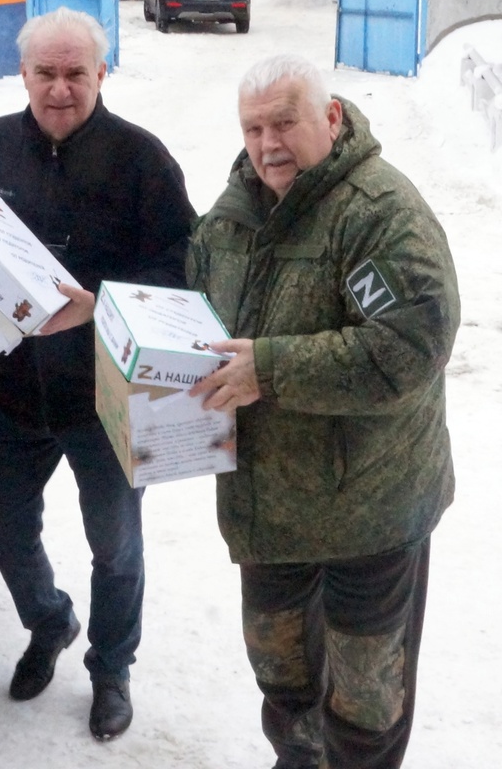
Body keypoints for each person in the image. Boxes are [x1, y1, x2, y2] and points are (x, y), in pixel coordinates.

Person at [187, 54, 459, 769]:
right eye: (253, 129)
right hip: (268, 509)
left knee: (366, 700)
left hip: (370, 512)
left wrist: (269, 369)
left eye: (285, 123)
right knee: (283, 676)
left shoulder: (378, 213)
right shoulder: (233, 216)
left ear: (331, 117)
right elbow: (192, 310)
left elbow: (408, 347)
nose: (268, 144)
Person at [0, 6, 195, 741]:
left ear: (101, 74)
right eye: (45, 73)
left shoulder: (142, 161)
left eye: (75, 73)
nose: (59, 88)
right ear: (22, 74)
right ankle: (49, 621)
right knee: (3, 524)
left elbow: (181, 269)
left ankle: (111, 668)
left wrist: (97, 303)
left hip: (103, 399)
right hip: (13, 392)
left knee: (115, 544)